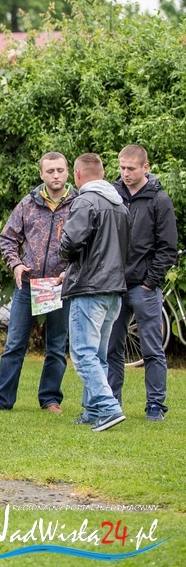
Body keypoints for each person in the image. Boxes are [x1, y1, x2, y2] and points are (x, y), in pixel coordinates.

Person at [0, 152, 77, 414]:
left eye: (60, 170)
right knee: (14, 344)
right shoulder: (28, 203)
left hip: (59, 286)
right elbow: (8, 238)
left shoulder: (79, 204)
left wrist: (70, 271)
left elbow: (87, 245)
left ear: (68, 171)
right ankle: (2, 399)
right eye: (50, 171)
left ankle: (50, 399)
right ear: (41, 174)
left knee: (56, 346)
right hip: (28, 285)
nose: (56, 175)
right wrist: (15, 264)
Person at [106, 144, 178, 421]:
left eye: (131, 168)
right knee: (112, 347)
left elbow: (167, 248)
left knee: (152, 349)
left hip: (143, 287)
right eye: (122, 167)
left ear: (145, 168)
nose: (125, 173)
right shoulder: (112, 195)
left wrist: (150, 281)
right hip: (114, 285)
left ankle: (155, 405)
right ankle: (111, 403)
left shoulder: (159, 200)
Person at [60, 153, 129, 432]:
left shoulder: (85, 201)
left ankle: (108, 406)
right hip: (114, 288)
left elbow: (70, 242)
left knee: (83, 353)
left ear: (77, 174)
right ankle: (92, 410)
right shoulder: (120, 205)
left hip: (89, 286)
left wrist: (66, 254)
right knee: (99, 355)